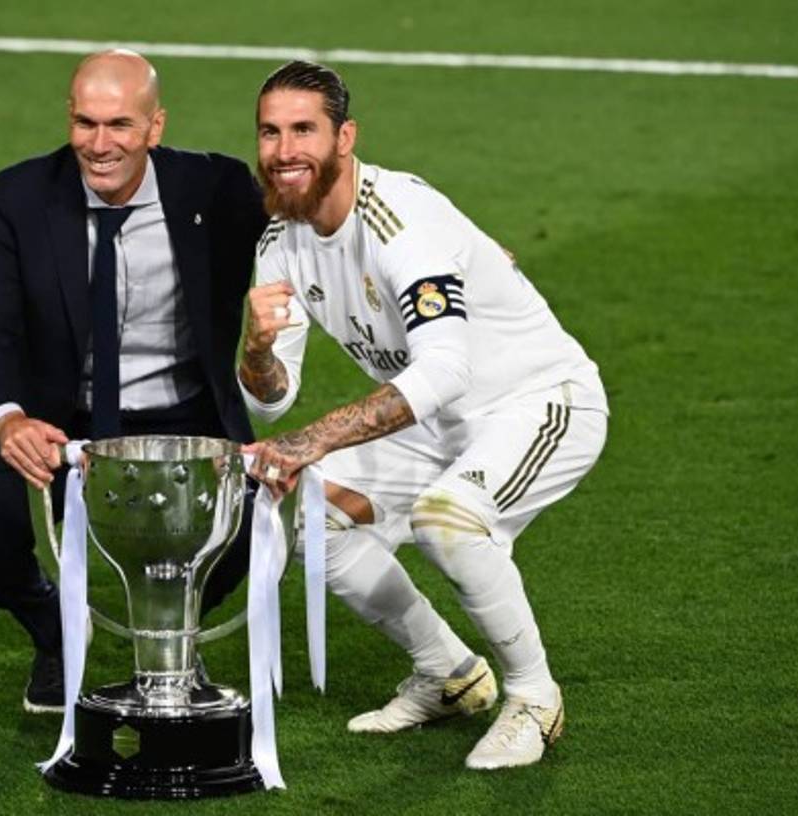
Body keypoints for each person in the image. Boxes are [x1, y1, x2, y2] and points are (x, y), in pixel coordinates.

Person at [238, 60, 608, 770]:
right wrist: (255, 349)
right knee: (319, 510)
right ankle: (448, 673)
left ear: (345, 137)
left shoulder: (398, 217)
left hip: (540, 402)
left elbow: (445, 369)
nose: (285, 151)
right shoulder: (278, 240)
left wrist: (308, 440)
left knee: (449, 519)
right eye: (271, 132)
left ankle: (534, 695)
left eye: (304, 130)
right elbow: (271, 397)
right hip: (436, 419)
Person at [0, 50, 268, 714]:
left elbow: (311, 207)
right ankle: (55, 630)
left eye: (120, 125)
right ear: (69, 119)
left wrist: (452, 256)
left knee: (244, 528)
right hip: (54, 414)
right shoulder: (16, 197)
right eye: (86, 123)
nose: (100, 145)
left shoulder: (216, 189)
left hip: (179, 413)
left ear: (155, 127)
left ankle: (172, 640)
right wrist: (8, 419)